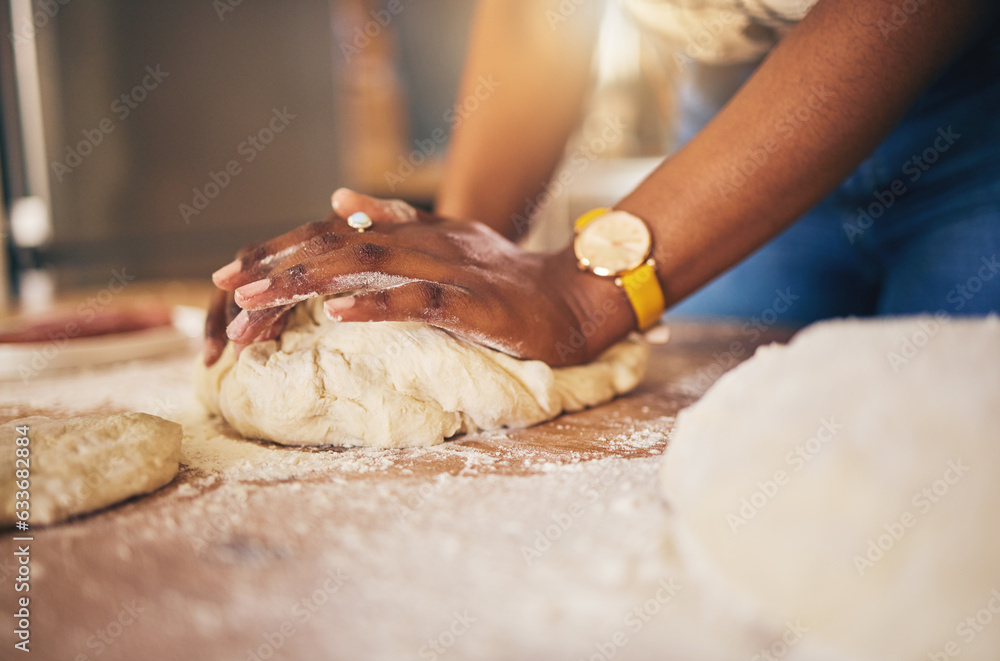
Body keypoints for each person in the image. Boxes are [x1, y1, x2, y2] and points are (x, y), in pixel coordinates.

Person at [204, 0, 1000, 368]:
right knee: (710, 449)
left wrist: (587, 295)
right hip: (735, 125)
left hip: (976, 109)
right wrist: (439, 269)